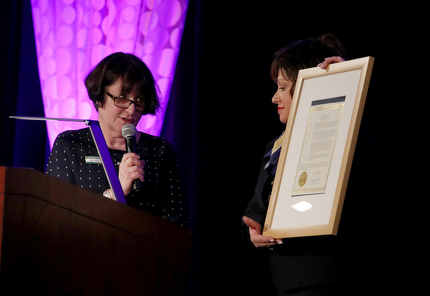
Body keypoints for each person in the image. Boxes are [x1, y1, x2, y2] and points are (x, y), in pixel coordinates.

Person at [242, 34, 348, 295]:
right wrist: (254, 227)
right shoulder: (275, 145)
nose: (274, 98)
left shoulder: (344, 129)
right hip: (284, 276)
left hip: (326, 275)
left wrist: (344, 86)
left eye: (282, 87)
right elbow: (259, 205)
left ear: (305, 86)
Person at [46, 52, 188, 227]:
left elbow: (176, 221)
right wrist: (115, 193)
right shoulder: (70, 145)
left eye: (139, 101)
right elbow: (55, 218)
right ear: (99, 98)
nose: (131, 111)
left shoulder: (159, 150)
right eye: (122, 99)